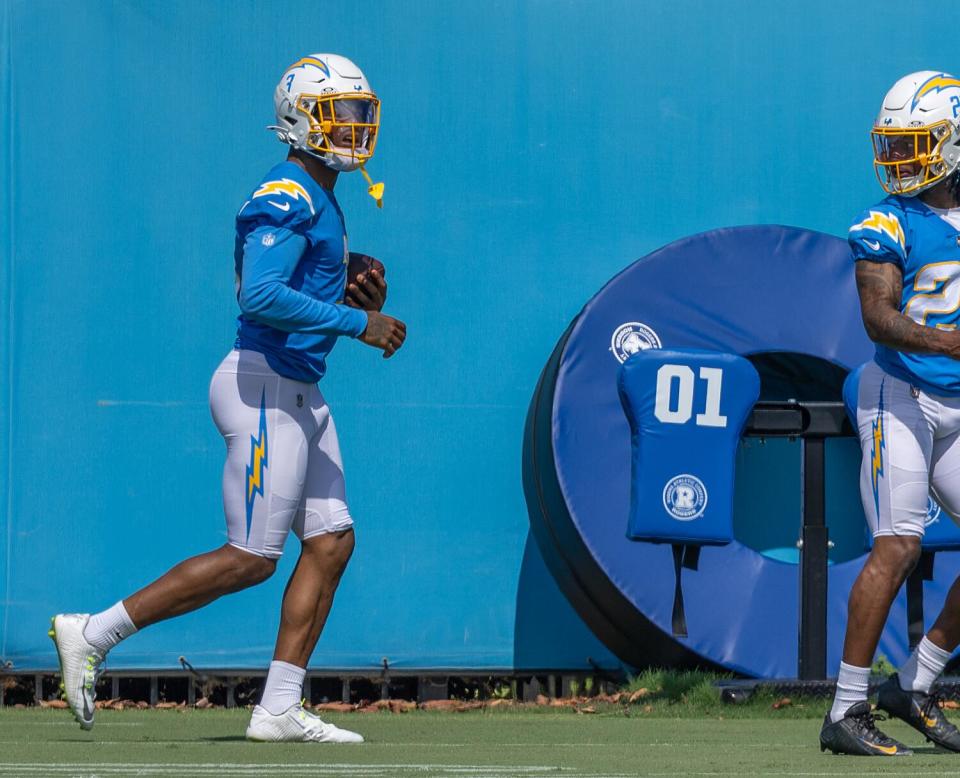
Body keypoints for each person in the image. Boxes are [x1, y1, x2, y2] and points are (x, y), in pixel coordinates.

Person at [49, 53, 406, 743]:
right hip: (265, 386)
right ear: (299, 118)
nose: (355, 129)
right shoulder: (288, 191)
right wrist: (359, 320)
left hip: (300, 388)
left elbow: (297, 284)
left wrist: (348, 282)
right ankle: (92, 632)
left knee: (331, 544)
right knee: (252, 557)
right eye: (340, 114)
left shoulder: (323, 192)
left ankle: (278, 706)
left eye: (361, 114)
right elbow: (261, 294)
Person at [820, 71, 960, 756]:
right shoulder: (886, 222)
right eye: (896, 145)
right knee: (899, 544)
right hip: (899, 397)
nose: (903, 159)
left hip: (959, 408)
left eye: (918, 144)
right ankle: (845, 710)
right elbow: (878, 317)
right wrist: (946, 340)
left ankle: (915, 683)